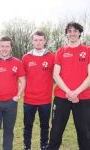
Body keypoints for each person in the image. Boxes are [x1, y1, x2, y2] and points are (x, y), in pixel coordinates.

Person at [46, 22, 90, 150]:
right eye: (69, 31)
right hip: (62, 97)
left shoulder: (87, 50)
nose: (72, 34)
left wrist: (76, 92)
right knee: (56, 131)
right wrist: (70, 93)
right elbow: (56, 75)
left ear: (80, 33)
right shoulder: (61, 51)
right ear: (66, 33)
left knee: (84, 133)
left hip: (83, 97)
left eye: (75, 31)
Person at [0, 35, 26, 150]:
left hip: (11, 103)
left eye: (7, 46)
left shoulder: (17, 63)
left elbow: (23, 81)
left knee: (9, 131)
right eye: (2, 46)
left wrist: (17, 96)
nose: (4, 49)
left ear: (11, 47)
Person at [22, 30, 55, 150]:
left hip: (45, 100)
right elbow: (22, 77)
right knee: (27, 126)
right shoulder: (26, 57)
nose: (38, 42)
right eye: (36, 40)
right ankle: (27, 146)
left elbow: (55, 76)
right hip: (29, 99)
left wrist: (46, 85)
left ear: (45, 41)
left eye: (41, 40)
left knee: (45, 126)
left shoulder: (52, 57)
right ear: (32, 41)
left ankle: (44, 145)